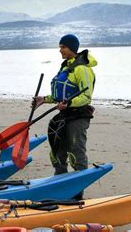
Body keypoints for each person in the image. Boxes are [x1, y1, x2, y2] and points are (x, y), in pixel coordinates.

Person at [33, 34, 96, 187]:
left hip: (78, 116)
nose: (60, 50)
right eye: (60, 47)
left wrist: (69, 104)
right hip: (64, 115)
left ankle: (78, 191)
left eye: (63, 47)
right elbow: (61, 95)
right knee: (57, 151)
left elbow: (86, 97)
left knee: (76, 152)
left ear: (72, 48)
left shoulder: (82, 69)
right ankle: (60, 183)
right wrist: (44, 99)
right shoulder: (67, 66)